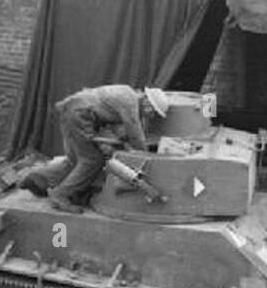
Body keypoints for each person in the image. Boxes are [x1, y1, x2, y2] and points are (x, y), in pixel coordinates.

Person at [35, 85, 168, 214]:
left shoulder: (126, 95)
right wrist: (147, 157)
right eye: (153, 111)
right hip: (79, 115)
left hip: (72, 110)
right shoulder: (130, 102)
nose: (151, 116)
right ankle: (60, 195)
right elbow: (135, 133)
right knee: (92, 161)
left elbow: (119, 128)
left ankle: (37, 178)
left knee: (75, 161)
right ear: (146, 101)